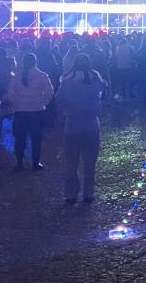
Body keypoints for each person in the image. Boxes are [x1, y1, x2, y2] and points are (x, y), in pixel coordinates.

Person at [56, 53, 107, 203]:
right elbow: (103, 93)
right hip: (91, 124)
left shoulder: (67, 82)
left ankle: (71, 193)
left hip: (72, 124)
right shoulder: (96, 79)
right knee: (90, 161)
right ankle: (88, 193)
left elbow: (58, 100)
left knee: (72, 162)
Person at [6, 53, 55, 171]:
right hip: (37, 111)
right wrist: (42, 102)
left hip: (20, 111)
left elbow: (10, 93)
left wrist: (16, 103)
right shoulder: (42, 76)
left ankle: (19, 163)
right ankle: (35, 163)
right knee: (36, 138)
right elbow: (50, 93)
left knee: (20, 138)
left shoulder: (17, 76)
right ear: (35, 62)